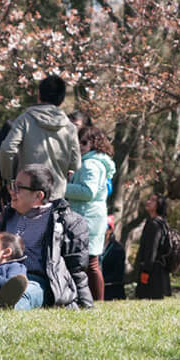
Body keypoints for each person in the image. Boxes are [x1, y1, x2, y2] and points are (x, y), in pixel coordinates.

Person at [0, 164, 93, 309]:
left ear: (38, 196)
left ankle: (1, 308)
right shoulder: (7, 216)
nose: (11, 191)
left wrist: (85, 304)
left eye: (18, 187)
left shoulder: (66, 221)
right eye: (13, 185)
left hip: (36, 281)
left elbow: (76, 268)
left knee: (24, 294)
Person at [0, 75, 81, 200]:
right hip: (55, 191)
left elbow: (7, 149)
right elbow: (75, 163)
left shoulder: (25, 120)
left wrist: (9, 178)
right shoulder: (70, 127)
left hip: (27, 189)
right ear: (62, 99)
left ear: (39, 95)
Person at [65, 125, 116, 300]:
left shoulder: (90, 164)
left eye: (84, 142)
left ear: (95, 144)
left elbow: (88, 192)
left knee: (91, 263)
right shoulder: (95, 162)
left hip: (88, 217)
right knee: (90, 262)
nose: (80, 146)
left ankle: (97, 300)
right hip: (92, 216)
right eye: (78, 142)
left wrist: (62, 187)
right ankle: (93, 299)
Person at [133, 194, 173, 300]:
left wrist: (145, 271)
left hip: (152, 273)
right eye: (149, 199)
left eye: (153, 200)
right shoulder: (162, 223)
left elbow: (152, 250)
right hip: (159, 270)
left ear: (159, 205)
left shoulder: (155, 224)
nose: (148, 202)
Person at [101, 219, 126, 300]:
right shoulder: (92, 247)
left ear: (110, 230)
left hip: (111, 291)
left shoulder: (117, 249)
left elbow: (118, 274)